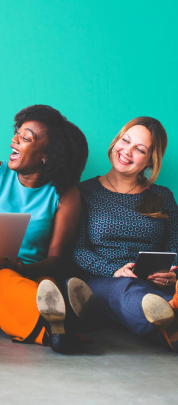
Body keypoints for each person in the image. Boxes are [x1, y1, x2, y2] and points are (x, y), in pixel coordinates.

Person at [0, 105, 91, 353]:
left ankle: (59, 323)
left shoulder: (65, 194)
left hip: (36, 274)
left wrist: (21, 268)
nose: (13, 141)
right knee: (6, 282)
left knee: (44, 286)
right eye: (17, 133)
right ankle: (67, 322)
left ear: (47, 155)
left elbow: (56, 259)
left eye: (25, 138)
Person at [72, 117, 177, 351]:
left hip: (157, 283)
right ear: (116, 141)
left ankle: (168, 309)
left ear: (151, 160)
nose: (127, 151)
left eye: (139, 149)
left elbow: (175, 245)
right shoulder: (84, 191)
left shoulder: (163, 196)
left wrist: (172, 274)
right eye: (125, 141)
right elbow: (76, 249)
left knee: (163, 292)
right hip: (105, 281)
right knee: (128, 291)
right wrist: (114, 270)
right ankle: (168, 326)